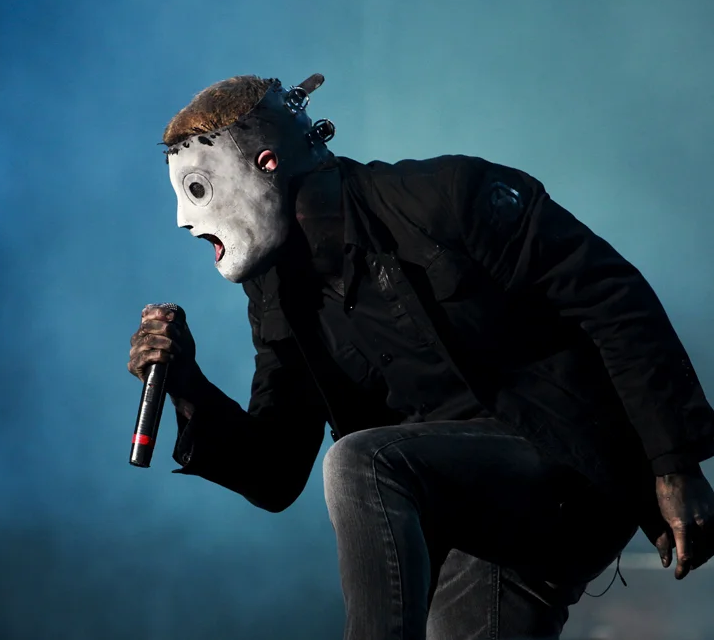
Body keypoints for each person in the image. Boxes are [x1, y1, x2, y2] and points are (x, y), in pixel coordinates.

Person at [126, 73, 714, 639]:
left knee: (360, 461)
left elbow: (611, 299)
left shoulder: (445, 197)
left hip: (566, 463)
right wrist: (188, 385)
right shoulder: (277, 293)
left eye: (197, 190)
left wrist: (674, 462)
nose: (184, 219)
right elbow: (275, 474)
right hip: (470, 513)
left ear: (267, 163)